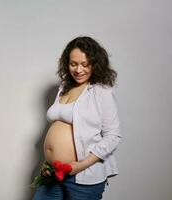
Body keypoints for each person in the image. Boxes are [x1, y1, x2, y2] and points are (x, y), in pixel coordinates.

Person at [32, 36, 122, 200]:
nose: (78, 70)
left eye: (85, 64)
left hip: (83, 176)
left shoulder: (101, 91)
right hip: (53, 172)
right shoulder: (64, 87)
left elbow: (113, 136)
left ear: (95, 64)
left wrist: (81, 165)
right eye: (73, 64)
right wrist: (49, 161)